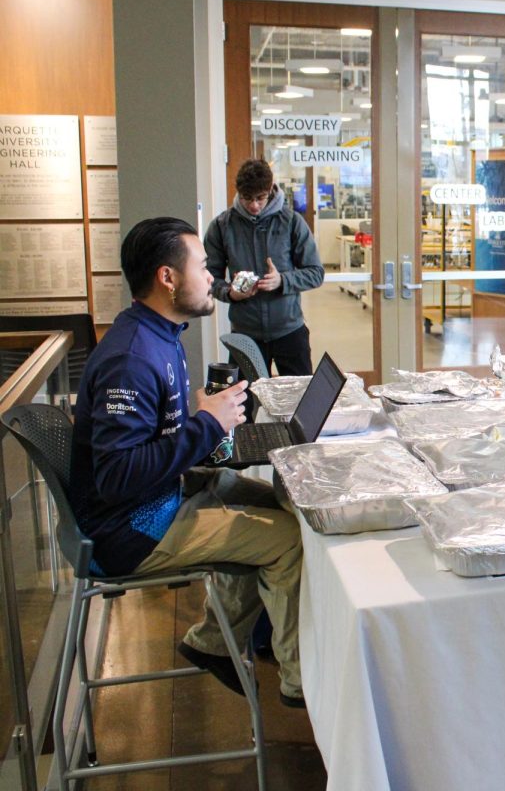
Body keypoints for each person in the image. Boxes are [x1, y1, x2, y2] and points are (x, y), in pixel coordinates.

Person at [69, 217, 306, 709]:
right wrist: (207, 425)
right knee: (289, 542)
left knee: (290, 510)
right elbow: (116, 478)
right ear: (167, 278)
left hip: (163, 496)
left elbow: (150, 441)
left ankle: (213, 642)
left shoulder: (157, 333)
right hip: (133, 529)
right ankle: (300, 686)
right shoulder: (132, 357)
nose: (211, 278)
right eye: (202, 267)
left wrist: (203, 418)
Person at [205, 158, 325, 376]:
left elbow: (316, 273)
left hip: (289, 331)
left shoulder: (292, 222)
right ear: (238, 192)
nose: (253, 205)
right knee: (244, 406)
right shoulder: (222, 226)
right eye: (246, 198)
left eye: (260, 198)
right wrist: (230, 293)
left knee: (300, 404)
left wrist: (283, 281)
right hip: (245, 335)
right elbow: (208, 277)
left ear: (270, 190)